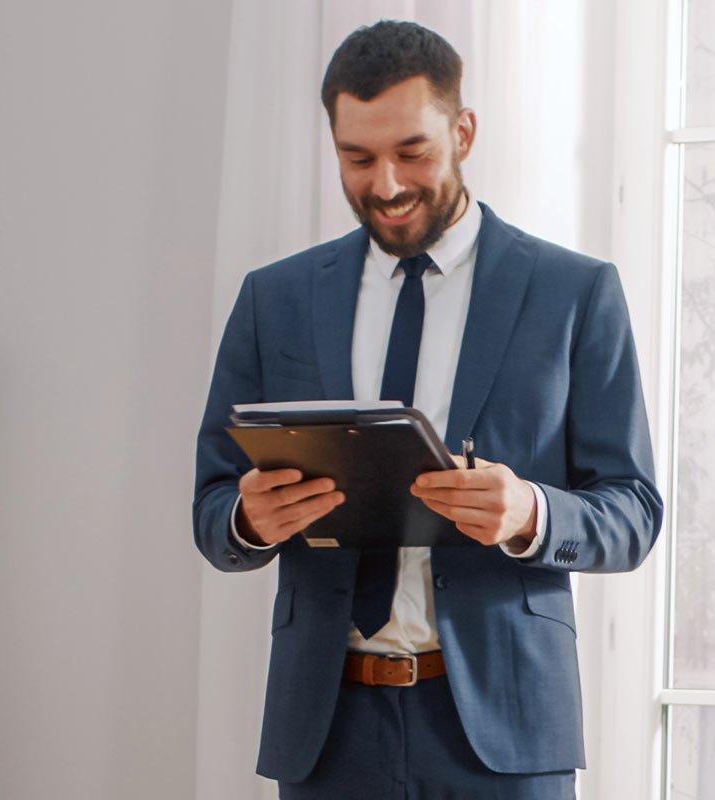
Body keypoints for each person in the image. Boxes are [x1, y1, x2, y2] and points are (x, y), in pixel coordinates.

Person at [190, 21, 662, 799]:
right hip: (328, 731)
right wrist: (247, 520)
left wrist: (530, 513)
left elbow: (635, 512)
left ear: (464, 130)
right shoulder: (272, 300)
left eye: (412, 152)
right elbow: (213, 507)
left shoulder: (573, 294)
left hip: (504, 734)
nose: (386, 185)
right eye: (358, 157)